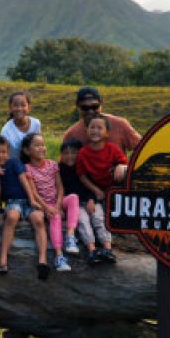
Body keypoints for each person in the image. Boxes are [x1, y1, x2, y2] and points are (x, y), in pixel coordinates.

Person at [0, 135, 47, 276]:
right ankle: (3, 260)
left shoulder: (14, 162)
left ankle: (43, 260)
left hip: (27, 199)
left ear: (8, 152)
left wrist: (32, 199)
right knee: (12, 217)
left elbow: (24, 181)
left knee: (39, 219)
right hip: (12, 201)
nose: (0, 155)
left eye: (3, 152)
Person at [21, 134, 77, 277]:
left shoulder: (52, 164)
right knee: (56, 217)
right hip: (43, 205)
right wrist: (47, 207)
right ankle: (59, 256)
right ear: (27, 151)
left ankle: (70, 236)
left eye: (43, 145)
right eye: (37, 145)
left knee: (73, 197)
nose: (42, 148)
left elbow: (60, 187)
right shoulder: (27, 168)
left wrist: (58, 205)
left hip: (57, 201)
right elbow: (33, 192)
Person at [75, 114, 126, 265]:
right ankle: (93, 250)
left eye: (99, 128)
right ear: (87, 131)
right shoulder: (83, 153)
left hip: (113, 191)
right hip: (94, 193)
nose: (95, 131)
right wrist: (95, 191)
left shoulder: (112, 149)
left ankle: (107, 250)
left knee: (101, 219)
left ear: (107, 133)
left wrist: (120, 166)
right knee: (95, 217)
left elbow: (125, 163)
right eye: (92, 127)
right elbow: (82, 176)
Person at [59, 139, 112, 266]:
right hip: (75, 205)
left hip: (90, 200)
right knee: (83, 221)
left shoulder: (86, 167)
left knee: (98, 218)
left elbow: (93, 185)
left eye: (74, 153)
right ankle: (92, 250)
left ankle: (107, 248)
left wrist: (91, 199)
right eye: (66, 153)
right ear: (61, 155)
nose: (70, 156)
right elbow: (60, 190)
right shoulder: (59, 170)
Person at [61, 86, 142, 152]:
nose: (90, 111)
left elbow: (142, 148)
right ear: (78, 108)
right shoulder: (71, 135)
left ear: (101, 105)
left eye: (94, 107)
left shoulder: (120, 125)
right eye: (85, 108)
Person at [0, 91, 41, 159]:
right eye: (16, 105)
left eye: (23, 105)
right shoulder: (5, 131)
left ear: (29, 107)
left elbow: (39, 146)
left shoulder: (36, 124)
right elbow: (4, 156)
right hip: (14, 164)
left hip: (33, 163)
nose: (19, 108)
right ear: (10, 108)